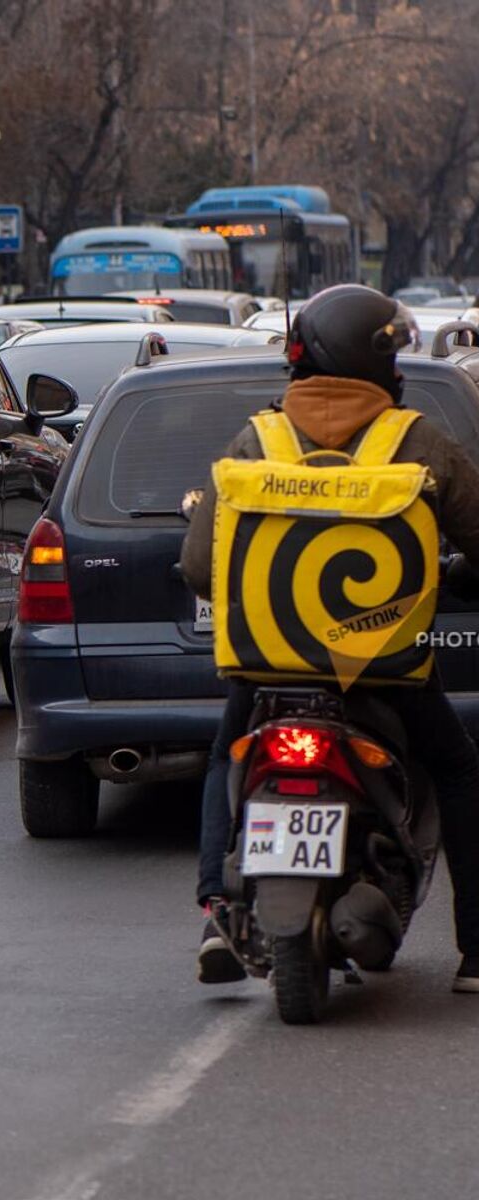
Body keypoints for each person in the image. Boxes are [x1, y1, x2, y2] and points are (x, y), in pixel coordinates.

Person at [180, 284, 479, 994]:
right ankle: (477, 952)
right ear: (376, 366)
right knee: (460, 769)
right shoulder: (418, 441)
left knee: (226, 755)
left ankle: (216, 914)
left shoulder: (258, 438)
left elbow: (198, 567)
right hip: (386, 671)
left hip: (265, 675)